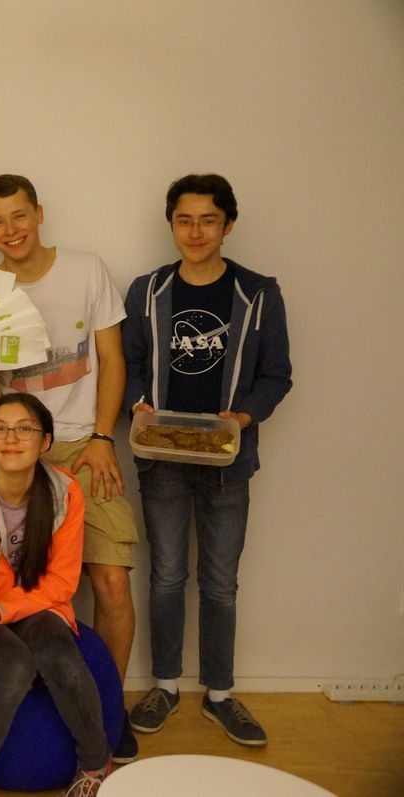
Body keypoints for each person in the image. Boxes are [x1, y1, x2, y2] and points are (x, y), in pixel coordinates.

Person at [0, 174, 139, 761]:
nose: (10, 230)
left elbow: (112, 359)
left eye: (19, 215)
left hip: (84, 444)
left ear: (39, 213)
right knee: (18, 583)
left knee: (111, 579)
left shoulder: (87, 270)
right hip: (16, 449)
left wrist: (104, 437)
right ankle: (40, 709)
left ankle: (110, 712)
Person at [122, 174, 291, 747]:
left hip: (227, 458)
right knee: (167, 576)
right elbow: (130, 365)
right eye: (184, 220)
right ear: (171, 225)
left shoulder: (258, 292)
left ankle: (219, 695)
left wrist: (243, 417)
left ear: (228, 225)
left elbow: (277, 374)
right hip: (161, 457)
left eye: (208, 220)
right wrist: (137, 405)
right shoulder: (147, 291)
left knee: (220, 583)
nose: (195, 232)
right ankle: (165, 686)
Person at [0, 393, 111, 797]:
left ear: (45, 441)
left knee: (57, 653)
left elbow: (61, 584)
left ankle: (95, 761)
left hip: (34, 604)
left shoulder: (66, 493)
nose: (11, 439)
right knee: (14, 665)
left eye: (24, 429)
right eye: (0, 429)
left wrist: (1, 609)